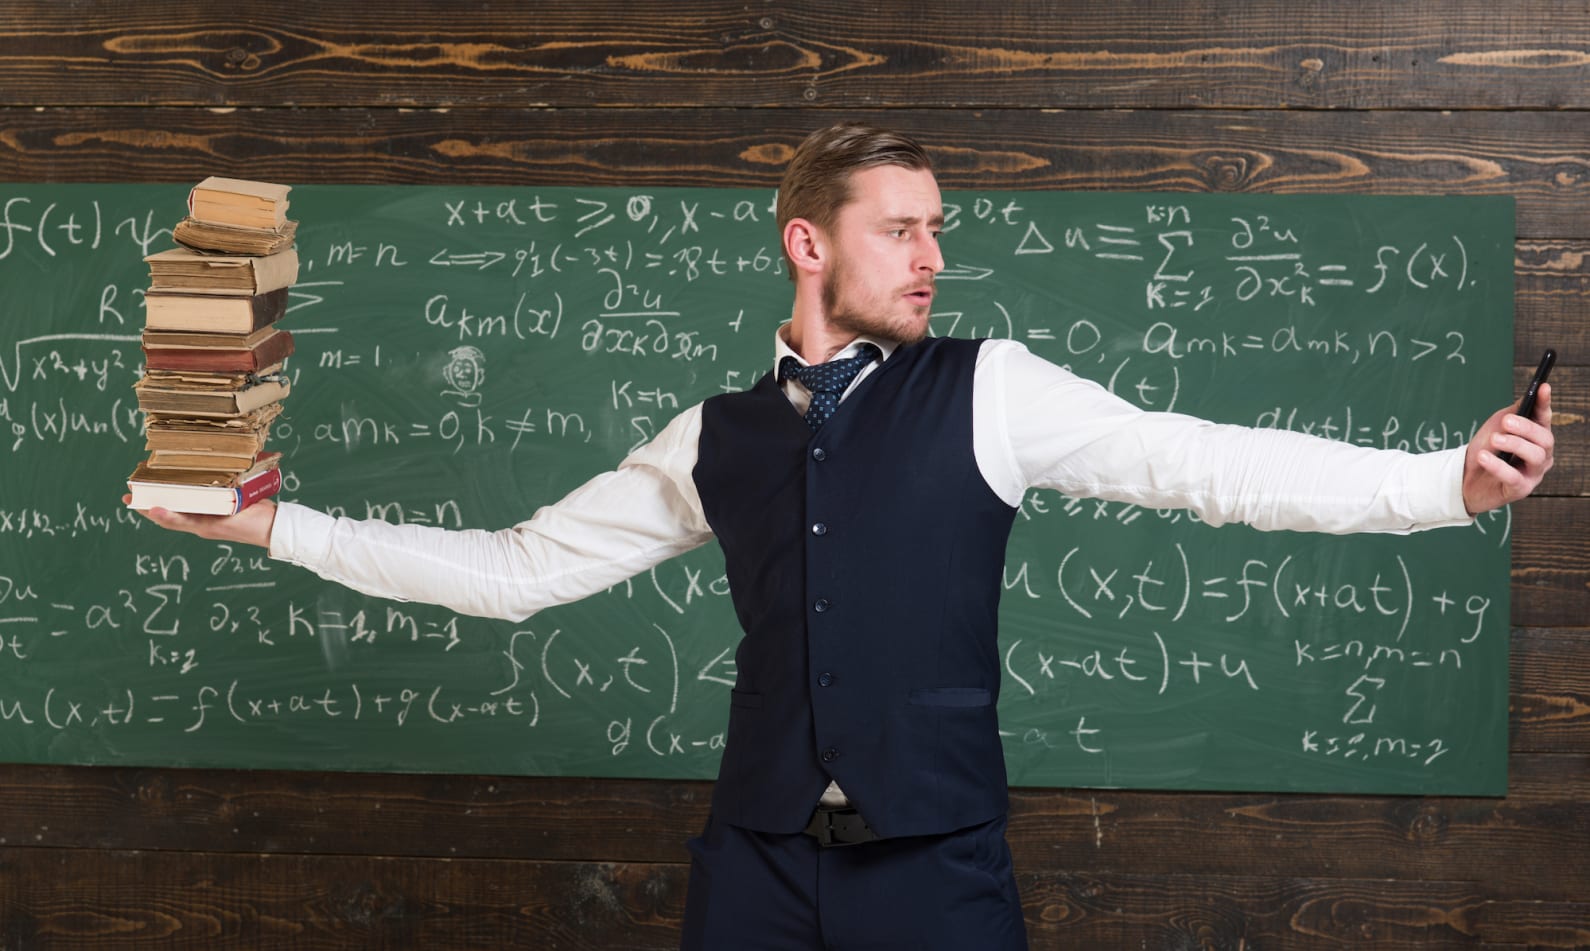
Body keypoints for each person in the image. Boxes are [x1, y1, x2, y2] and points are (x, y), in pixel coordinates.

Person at [131, 122, 1555, 950]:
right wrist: (274, 529)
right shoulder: (713, 437)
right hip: (751, 865)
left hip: (934, 870)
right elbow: (515, 575)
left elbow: (1209, 470)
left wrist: (1446, 483)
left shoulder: (992, 390)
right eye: (902, 231)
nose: (934, 256)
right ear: (807, 243)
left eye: (938, 229)